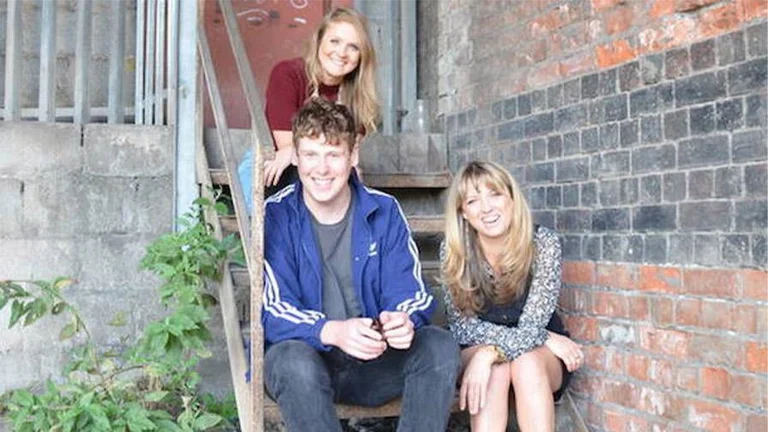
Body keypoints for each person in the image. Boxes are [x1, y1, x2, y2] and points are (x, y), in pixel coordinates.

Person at [262, 99, 460, 432]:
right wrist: (333, 331)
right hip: (308, 362)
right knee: (291, 360)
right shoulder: (276, 214)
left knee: (439, 345)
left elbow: (410, 292)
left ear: (353, 156)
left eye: (333, 155)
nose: (321, 169)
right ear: (295, 156)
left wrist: (403, 319)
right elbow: (274, 308)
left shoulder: (384, 209)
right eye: (311, 154)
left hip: (373, 358)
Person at [440, 161, 584, 432]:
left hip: (536, 356)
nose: (486, 208)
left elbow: (533, 324)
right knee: (495, 371)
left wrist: (492, 351)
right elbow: (462, 326)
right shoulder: (454, 250)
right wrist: (544, 338)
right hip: (476, 346)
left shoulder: (543, 243)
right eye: (473, 200)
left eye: (495, 194)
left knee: (526, 363)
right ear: (463, 213)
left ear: (512, 198)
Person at [238, 6, 379, 209]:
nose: (342, 52)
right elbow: (289, 148)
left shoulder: (357, 96)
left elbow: (347, 155)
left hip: (320, 165)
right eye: (335, 41)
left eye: (353, 47)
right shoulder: (288, 74)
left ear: (361, 56)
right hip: (276, 162)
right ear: (319, 41)